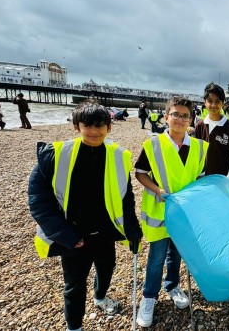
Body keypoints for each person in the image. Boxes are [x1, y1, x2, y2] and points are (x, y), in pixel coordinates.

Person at [27, 100, 143, 331]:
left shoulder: (118, 157)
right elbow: (38, 201)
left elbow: (125, 198)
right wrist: (66, 236)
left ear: (109, 127)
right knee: (74, 285)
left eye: (100, 125)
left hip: (105, 232)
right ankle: (74, 327)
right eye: (87, 125)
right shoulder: (54, 155)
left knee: (107, 269)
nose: (94, 131)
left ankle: (100, 298)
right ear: (76, 126)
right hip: (74, 235)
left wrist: (132, 229)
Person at [134, 96, 209, 328]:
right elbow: (140, 173)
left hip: (184, 214)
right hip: (159, 212)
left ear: (191, 120)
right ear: (166, 116)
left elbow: (200, 179)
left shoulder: (198, 147)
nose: (179, 119)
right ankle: (149, 297)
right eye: (175, 114)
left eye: (185, 116)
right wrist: (158, 190)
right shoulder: (153, 145)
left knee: (177, 253)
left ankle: (173, 285)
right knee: (156, 257)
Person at [194, 82, 229, 180]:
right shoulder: (200, 126)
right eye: (210, 101)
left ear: (222, 103)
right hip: (202, 178)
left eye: (217, 101)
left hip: (222, 178)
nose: (213, 105)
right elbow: (195, 153)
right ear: (205, 102)